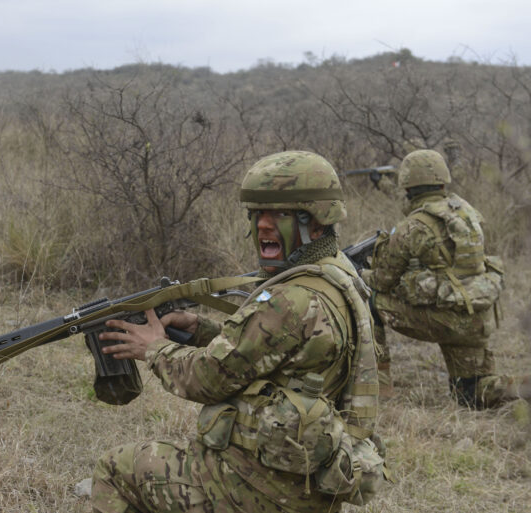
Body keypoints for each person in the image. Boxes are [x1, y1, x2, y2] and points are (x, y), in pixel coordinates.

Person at [91, 151, 388, 513]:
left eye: (279, 214)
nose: (263, 225)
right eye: (256, 214)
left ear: (316, 221)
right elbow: (269, 350)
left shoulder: (289, 300)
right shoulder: (336, 275)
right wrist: (200, 328)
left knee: (116, 468)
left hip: (256, 489)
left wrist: (153, 348)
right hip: (309, 486)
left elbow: (206, 379)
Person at [361, 149, 531, 408]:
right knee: (472, 394)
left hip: (446, 320)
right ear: (442, 181)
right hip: (475, 317)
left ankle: (379, 387)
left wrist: (356, 273)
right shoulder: (465, 212)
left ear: (408, 186)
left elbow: (382, 281)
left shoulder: (412, 226)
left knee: (369, 300)